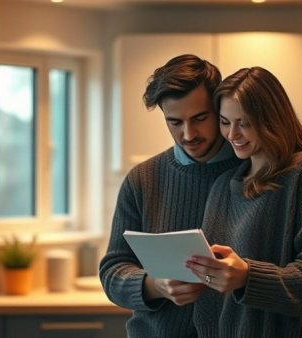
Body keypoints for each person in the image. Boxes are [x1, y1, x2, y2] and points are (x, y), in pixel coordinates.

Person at [186, 66, 302, 338]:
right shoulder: (222, 186)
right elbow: (212, 301)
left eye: (243, 123)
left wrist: (247, 276)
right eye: (224, 122)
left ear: (272, 120)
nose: (232, 134)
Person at [99, 54, 242, 338]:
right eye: (174, 122)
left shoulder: (253, 171)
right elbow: (113, 271)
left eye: (200, 118)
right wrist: (155, 285)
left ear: (219, 109)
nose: (188, 134)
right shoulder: (142, 179)